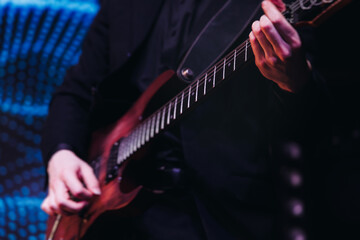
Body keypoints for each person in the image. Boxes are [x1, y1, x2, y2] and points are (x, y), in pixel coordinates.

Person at [41, 0, 325, 239]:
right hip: (111, 211)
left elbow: (321, 116)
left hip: (213, 212)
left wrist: (294, 79)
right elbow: (75, 90)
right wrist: (61, 153)